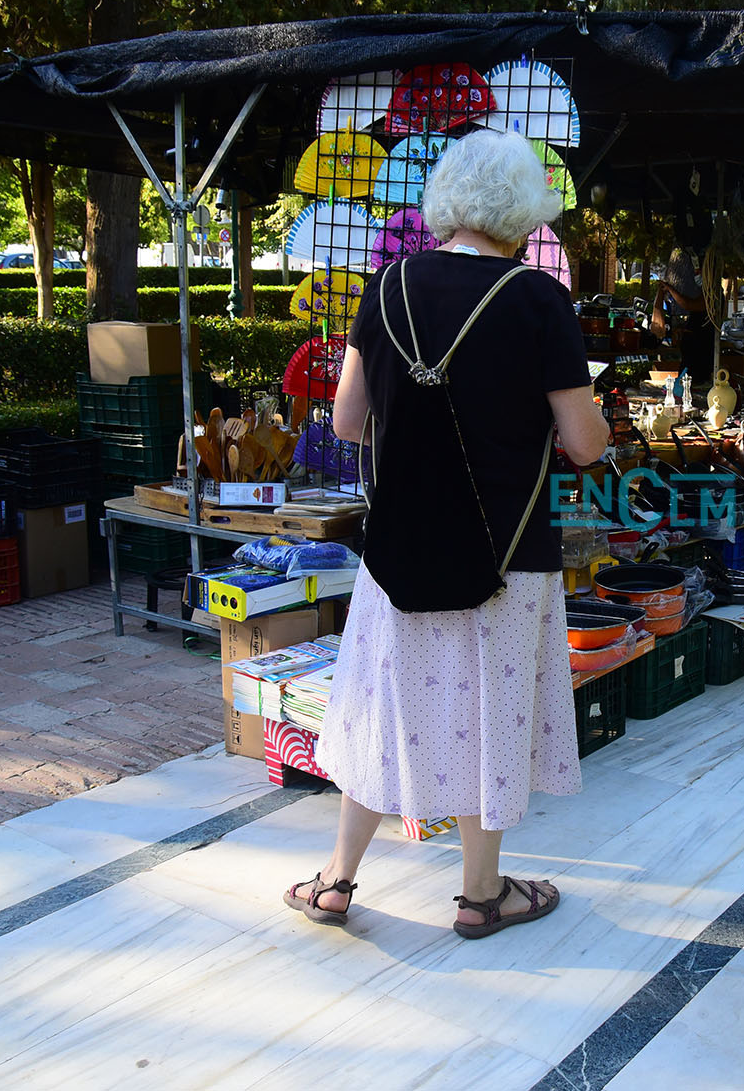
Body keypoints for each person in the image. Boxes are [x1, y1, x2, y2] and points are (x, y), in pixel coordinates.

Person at [287, 130, 610, 936]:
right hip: (509, 553)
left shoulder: (388, 285)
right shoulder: (539, 299)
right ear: (525, 212)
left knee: (377, 700)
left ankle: (336, 878)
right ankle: (479, 893)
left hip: (402, 545)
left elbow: (349, 421)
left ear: (448, 201)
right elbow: (585, 442)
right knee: (490, 713)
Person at [650, 249, 717, 389]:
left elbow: (690, 305)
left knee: (693, 385)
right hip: (690, 352)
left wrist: (670, 290)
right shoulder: (700, 291)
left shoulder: (714, 295)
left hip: (701, 354)